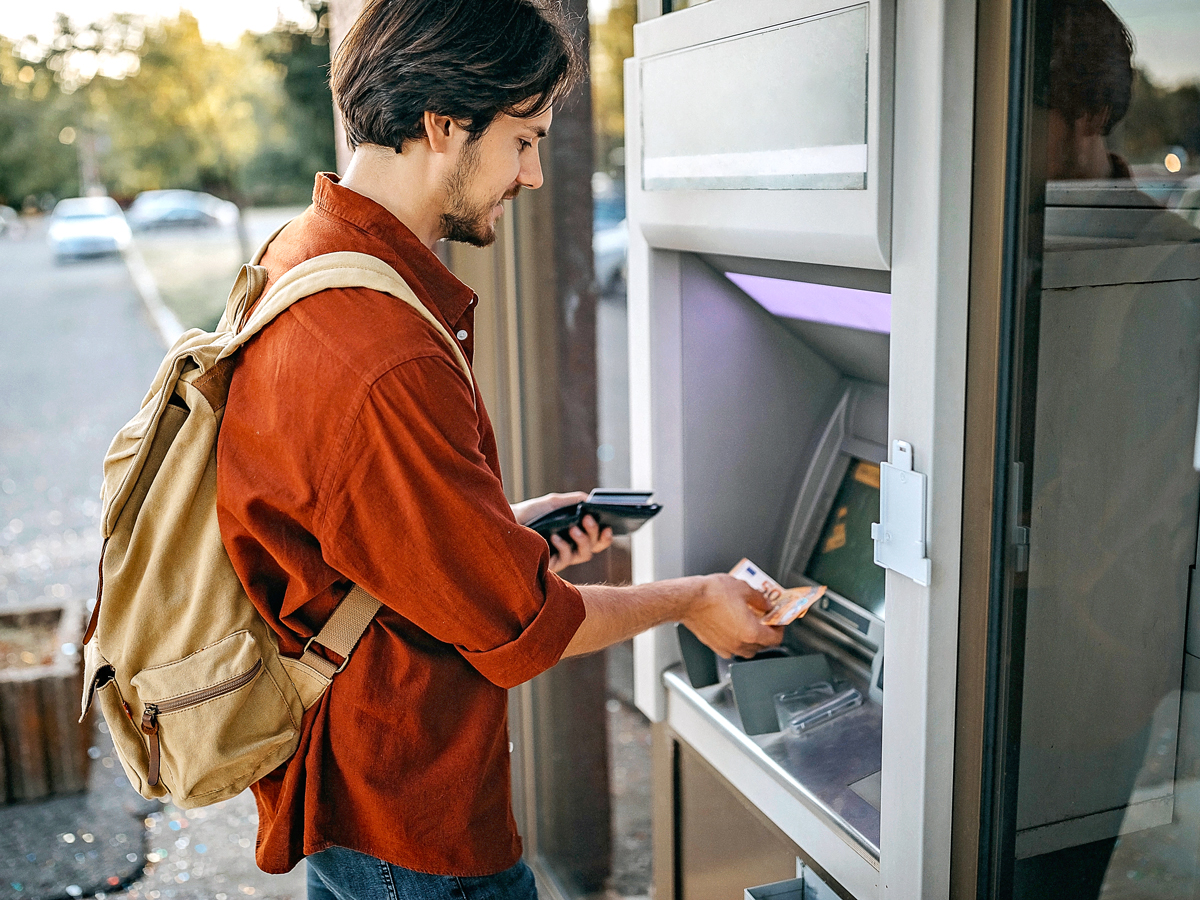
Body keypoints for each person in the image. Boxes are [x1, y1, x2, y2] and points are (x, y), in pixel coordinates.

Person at [214, 1, 783, 898]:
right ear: (444, 123)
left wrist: (498, 530)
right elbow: (523, 632)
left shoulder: (303, 256)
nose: (533, 174)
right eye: (523, 139)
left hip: (350, 791)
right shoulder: (384, 352)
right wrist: (696, 599)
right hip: (412, 823)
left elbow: (358, 524)